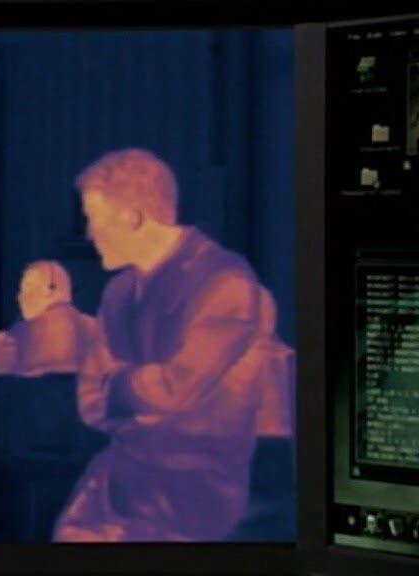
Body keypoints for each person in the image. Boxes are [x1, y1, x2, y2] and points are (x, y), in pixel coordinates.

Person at [52, 148, 288, 542]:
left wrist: (120, 386)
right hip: (120, 481)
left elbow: (175, 390)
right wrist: (146, 396)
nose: (88, 234)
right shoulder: (117, 294)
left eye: (93, 219)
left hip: (193, 496)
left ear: (132, 218)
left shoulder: (225, 282)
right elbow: (90, 400)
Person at [0, 260, 99, 526]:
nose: (20, 298)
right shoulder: (99, 328)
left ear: (52, 289)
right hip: (90, 443)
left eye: (27, 288)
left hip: (34, 442)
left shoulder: (16, 334)